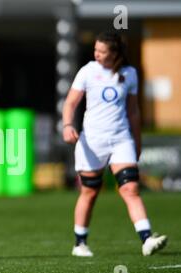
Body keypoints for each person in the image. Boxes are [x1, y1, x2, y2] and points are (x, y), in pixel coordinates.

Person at [62, 32, 167, 257]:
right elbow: (71, 103)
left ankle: (147, 238)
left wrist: (137, 142)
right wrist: (67, 125)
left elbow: (133, 111)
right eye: (96, 50)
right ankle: (80, 243)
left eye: (102, 51)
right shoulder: (88, 71)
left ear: (115, 54)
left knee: (130, 188)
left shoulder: (129, 74)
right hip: (92, 140)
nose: (96, 54)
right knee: (90, 191)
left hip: (121, 139)